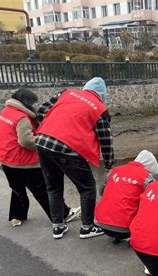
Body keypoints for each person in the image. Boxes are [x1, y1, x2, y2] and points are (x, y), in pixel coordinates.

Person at [35, 77, 114, 240]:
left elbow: (41, 111)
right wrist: (108, 163)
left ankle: (57, 226)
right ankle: (87, 227)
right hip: (67, 148)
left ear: (86, 87)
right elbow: (105, 138)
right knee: (87, 187)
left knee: (53, 186)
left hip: (42, 143)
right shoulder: (99, 108)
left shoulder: (66, 93)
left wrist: (51, 129)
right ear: (102, 94)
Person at [0, 89, 79, 227]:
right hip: (23, 161)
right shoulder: (22, 117)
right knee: (44, 190)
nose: (34, 105)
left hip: (6, 158)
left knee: (17, 189)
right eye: (32, 103)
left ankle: (17, 217)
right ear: (26, 103)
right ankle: (63, 214)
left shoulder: (6, 112)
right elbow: (26, 141)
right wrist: (44, 141)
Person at [94, 150, 158, 243]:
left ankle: (116, 234)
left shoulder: (115, 171)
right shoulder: (146, 177)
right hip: (126, 230)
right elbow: (155, 203)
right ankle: (134, 235)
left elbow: (102, 191)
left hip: (101, 223)